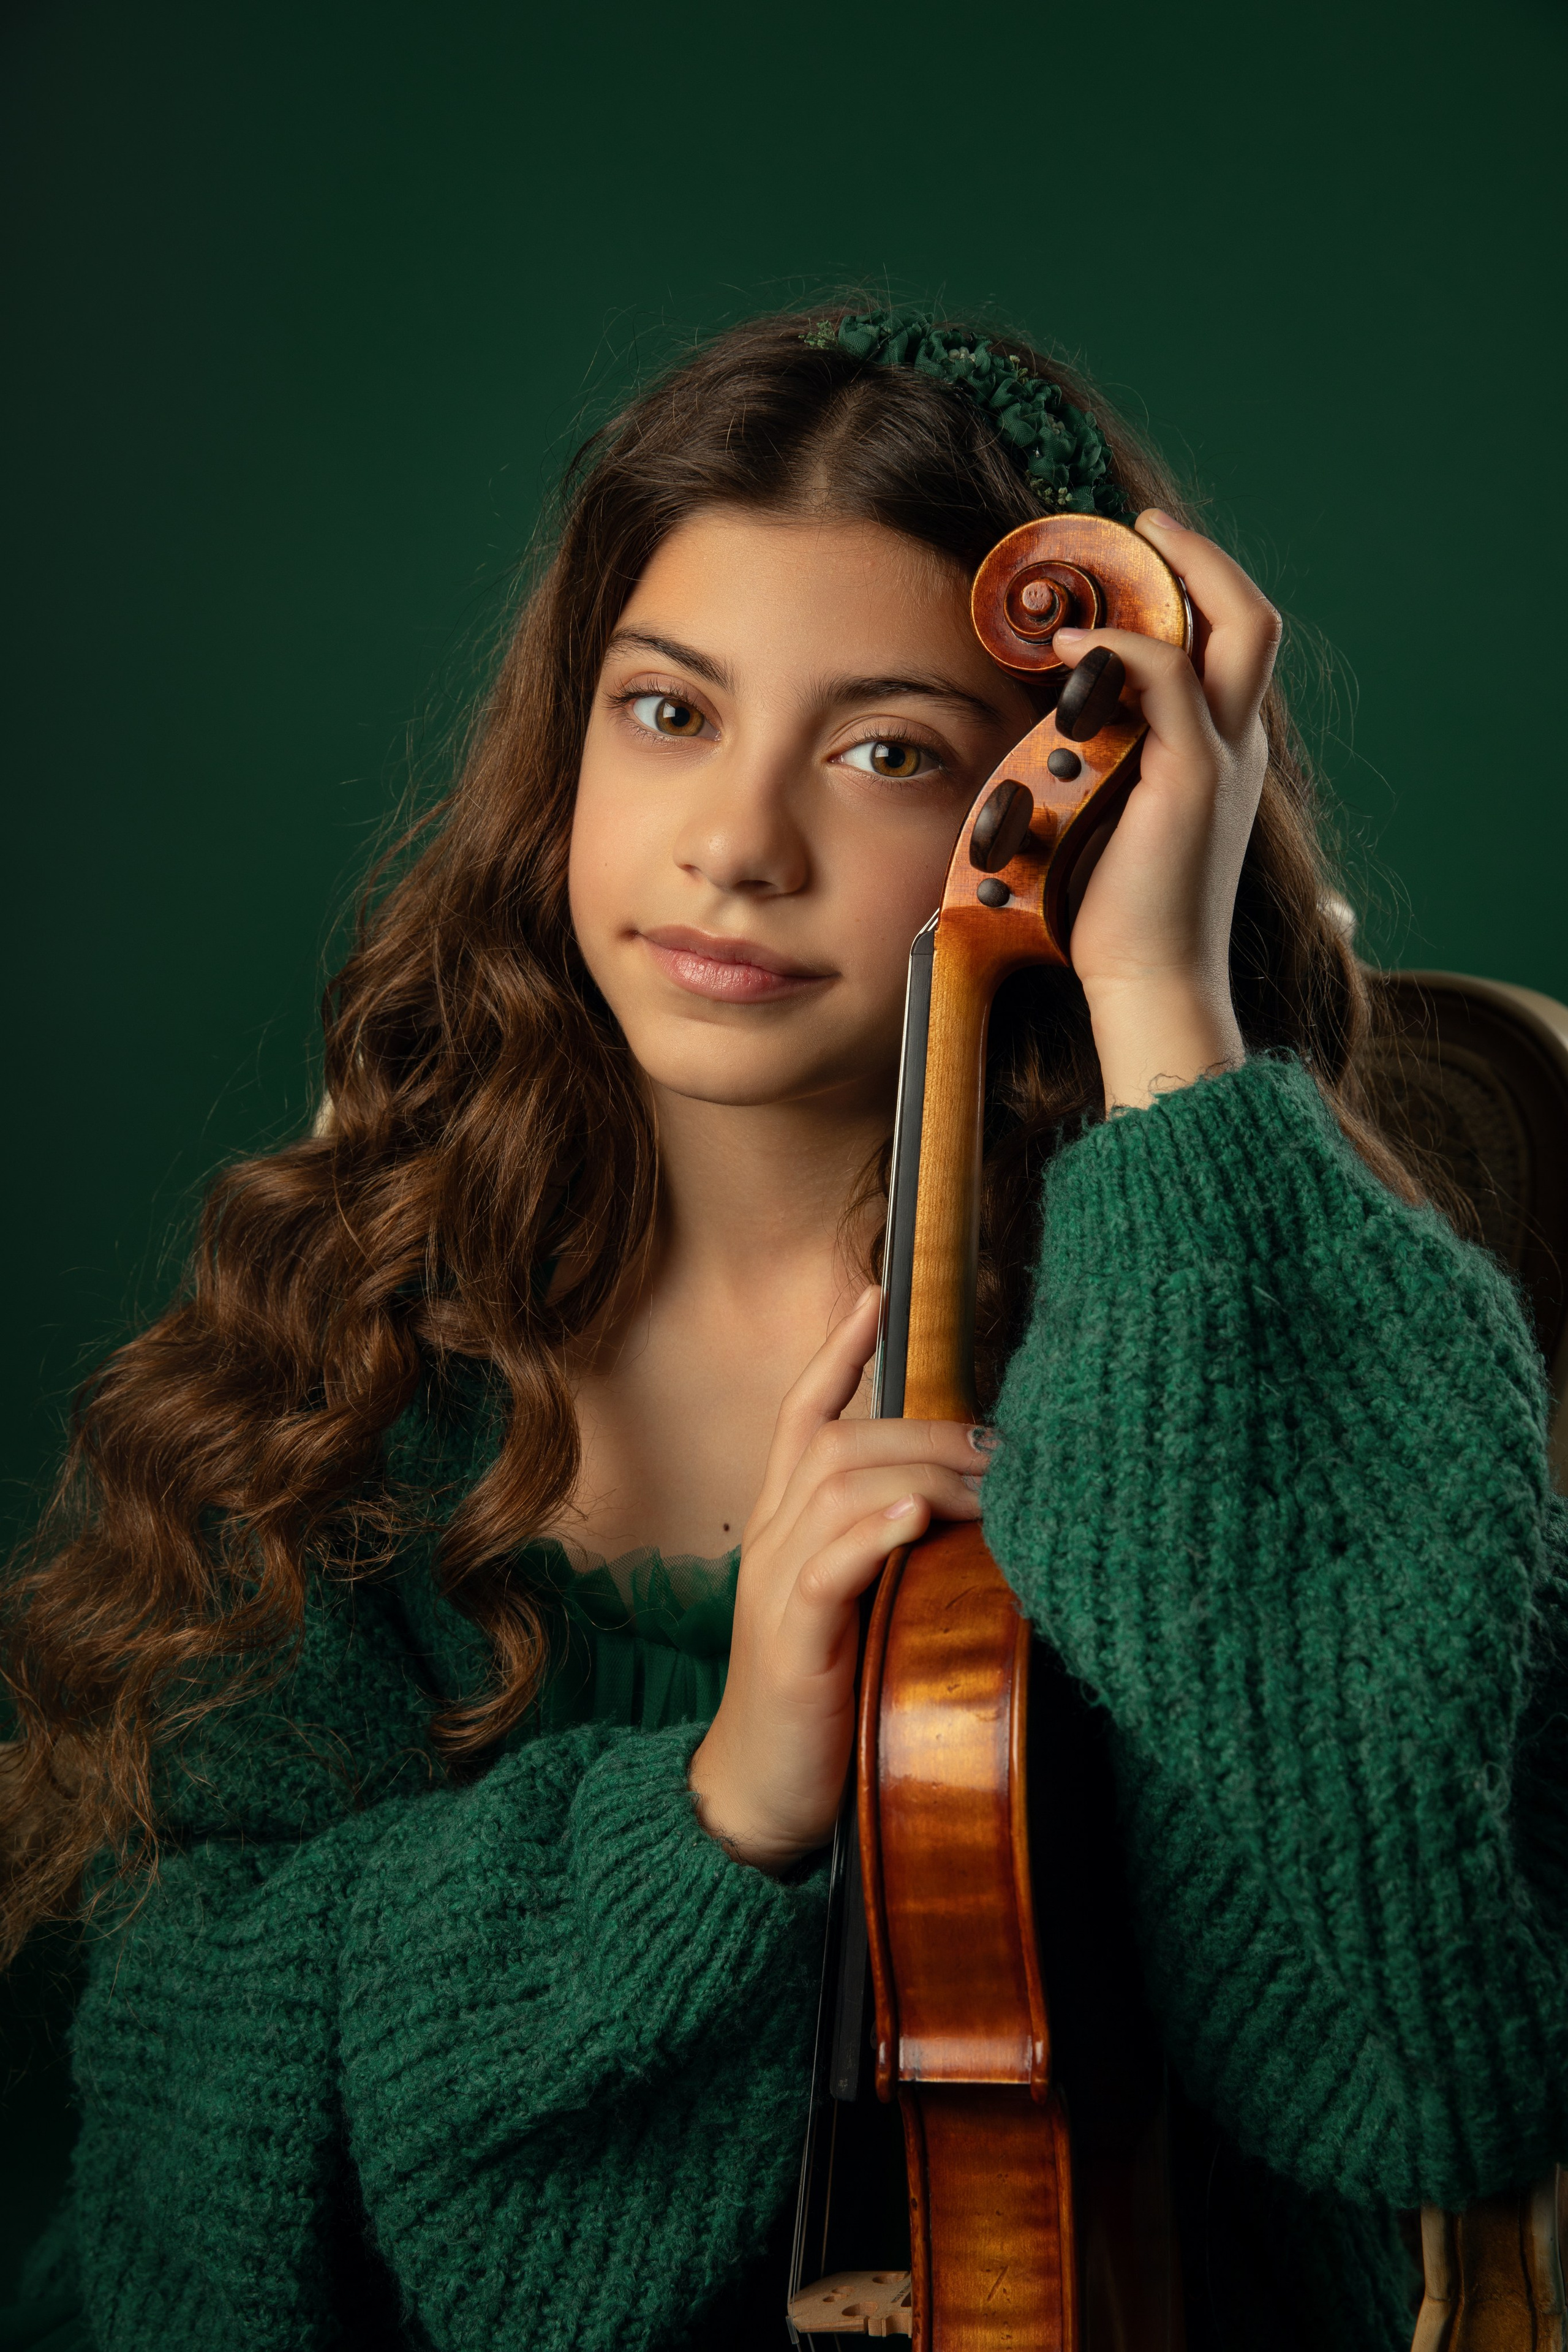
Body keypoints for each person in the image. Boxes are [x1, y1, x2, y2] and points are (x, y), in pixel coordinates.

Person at [1, 304, 1564, 2352]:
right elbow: (181, 2093)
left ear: (1061, 797)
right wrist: (722, 1800)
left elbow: (1431, 2035)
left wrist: (1164, 995)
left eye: (888, 750)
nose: (737, 847)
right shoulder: (353, 1343)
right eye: (669, 714)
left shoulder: (1215, 1311)